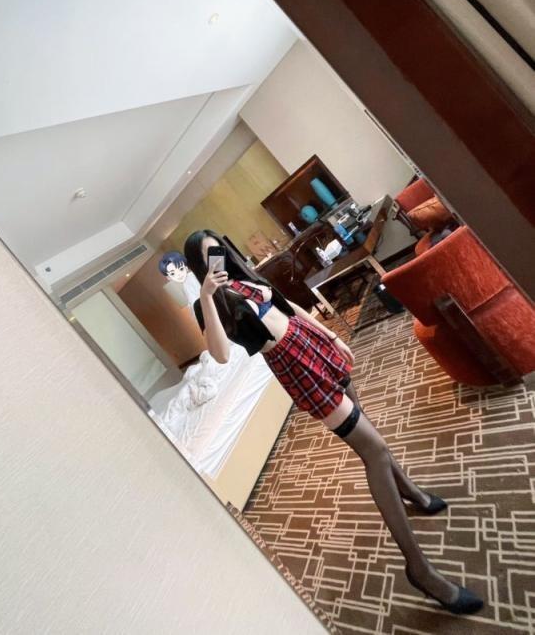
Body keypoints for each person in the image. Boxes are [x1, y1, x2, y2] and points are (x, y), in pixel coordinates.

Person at [184, 229, 484, 615]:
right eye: (209, 257)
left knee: (368, 426)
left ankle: (412, 492)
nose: (219, 262)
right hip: (295, 366)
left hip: (313, 344)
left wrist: (331, 335)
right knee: (374, 449)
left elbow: (290, 307)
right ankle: (420, 569)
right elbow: (221, 355)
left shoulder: (247, 280)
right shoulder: (208, 303)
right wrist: (208, 293)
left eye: (220, 252)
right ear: (199, 266)